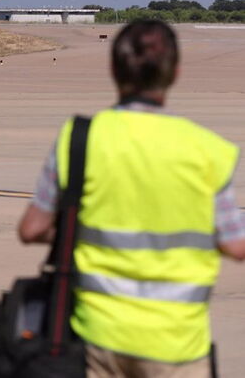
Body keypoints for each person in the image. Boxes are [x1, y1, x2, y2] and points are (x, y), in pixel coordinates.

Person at [18, 20, 245, 377]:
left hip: (96, 338)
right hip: (176, 344)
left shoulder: (79, 139)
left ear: (112, 69)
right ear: (176, 73)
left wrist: (83, 230)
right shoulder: (208, 151)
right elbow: (236, 245)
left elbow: (32, 229)